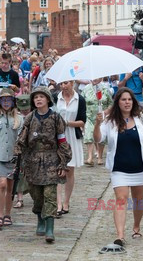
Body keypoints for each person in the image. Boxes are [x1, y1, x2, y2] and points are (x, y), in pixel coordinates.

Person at [93, 87, 143, 252]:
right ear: (118, 102)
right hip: (119, 168)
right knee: (121, 199)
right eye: (123, 99)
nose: (127, 102)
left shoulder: (142, 118)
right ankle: (120, 235)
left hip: (138, 166)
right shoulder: (109, 121)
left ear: (133, 101)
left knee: (138, 200)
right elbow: (99, 139)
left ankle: (136, 226)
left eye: (129, 99)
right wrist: (97, 123)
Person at [13, 86, 72, 243]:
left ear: (47, 99)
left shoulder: (56, 118)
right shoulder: (30, 118)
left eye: (41, 96)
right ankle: (40, 218)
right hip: (33, 161)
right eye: (36, 97)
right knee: (37, 195)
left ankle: (50, 229)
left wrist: (63, 163)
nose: (38, 99)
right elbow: (22, 140)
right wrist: (20, 158)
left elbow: (62, 140)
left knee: (50, 195)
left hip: (52, 159)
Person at [0, 88, 23, 227]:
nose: (6, 102)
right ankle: (0, 214)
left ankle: (8, 214)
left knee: (10, 187)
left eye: (9, 100)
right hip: (0, 156)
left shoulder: (19, 118)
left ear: (13, 102)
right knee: (1, 184)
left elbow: (21, 139)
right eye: (3, 100)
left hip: (13, 157)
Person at [55, 81, 86, 217]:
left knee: (69, 170)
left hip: (72, 135)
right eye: (61, 83)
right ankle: (58, 202)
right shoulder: (56, 97)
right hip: (57, 136)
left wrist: (67, 123)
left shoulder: (80, 99)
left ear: (72, 83)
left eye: (66, 83)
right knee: (57, 170)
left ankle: (66, 201)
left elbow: (82, 121)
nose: (63, 86)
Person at [81, 78, 113, 166]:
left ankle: (99, 156)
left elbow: (111, 103)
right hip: (89, 116)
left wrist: (105, 112)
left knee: (100, 137)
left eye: (97, 77)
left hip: (102, 117)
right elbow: (81, 102)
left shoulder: (105, 89)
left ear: (101, 78)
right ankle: (90, 157)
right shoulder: (86, 89)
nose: (94, 79)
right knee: (88, 135)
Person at [13, 94, 31, 209]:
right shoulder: (15, 117)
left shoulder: (34, 116)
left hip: (32, 148)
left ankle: (36, 195)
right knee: (19, 173)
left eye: (27, 109)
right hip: (19, 148)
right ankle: (20, 198)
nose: (25, 111)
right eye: (22, 109)